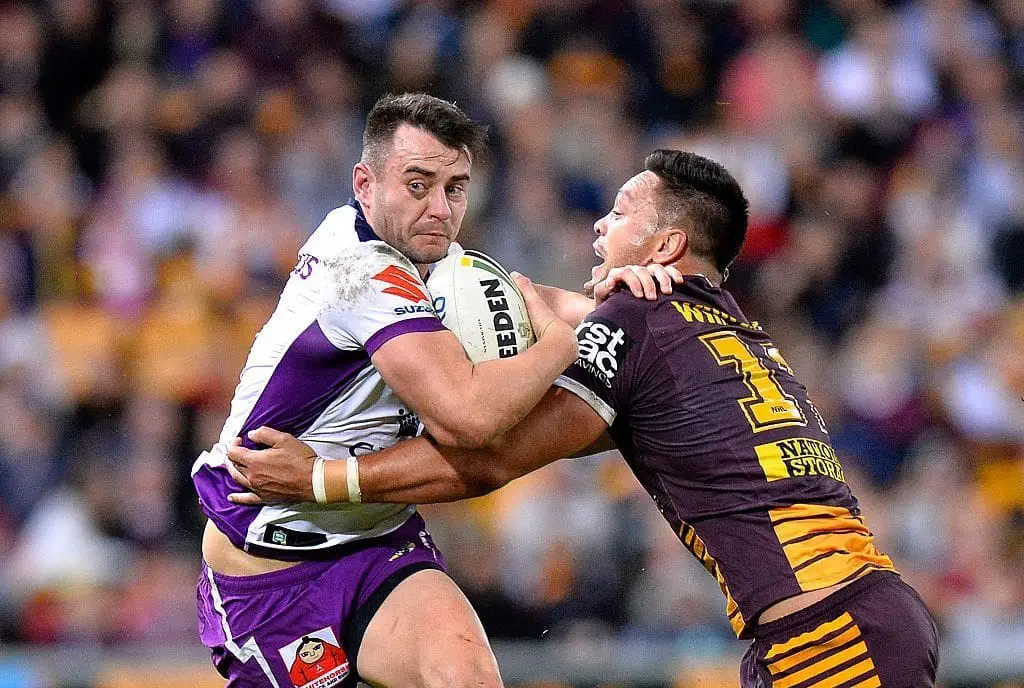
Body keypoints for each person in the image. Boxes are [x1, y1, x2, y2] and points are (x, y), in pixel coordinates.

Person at [227, 150, 941, 687]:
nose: (602, 223)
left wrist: (323, 478)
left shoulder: (639, 326)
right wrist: (587, 307)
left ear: (665, 248)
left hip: (830, 636)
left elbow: (489, 457)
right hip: (854, 618)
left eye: (625, 210)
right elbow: (595, 322)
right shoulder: (724, 325)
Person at [192, 92, 587, 688]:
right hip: (269, 571)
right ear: (365, 183)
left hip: (377, 543)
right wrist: (560, 346)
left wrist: (634, 301)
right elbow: (469, 419)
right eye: (418, 184)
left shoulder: (437, 262)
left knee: (466, 677)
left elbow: (540, 300)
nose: (439, 209)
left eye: (455, 188)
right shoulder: (357, 270)